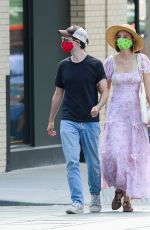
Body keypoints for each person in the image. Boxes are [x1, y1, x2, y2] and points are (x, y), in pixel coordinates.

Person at [47, 25, 108, 214]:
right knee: (72, 161)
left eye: (67, 39)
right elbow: (58, 94)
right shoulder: (63, 65)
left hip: (90, 123)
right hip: (69, 121)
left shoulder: (95, 65)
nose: (63, 42)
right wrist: (51, 120)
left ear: (78, 42)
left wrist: (98, 107)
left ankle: (95, 196)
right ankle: (77, 202)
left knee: (93, 162)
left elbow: (105, 90)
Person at [100, 24, 150, 212]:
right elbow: (105, 90)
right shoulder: (110, 62)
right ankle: (119, 189)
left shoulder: (142, 60)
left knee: (131, 157)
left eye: (125, 36)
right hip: (116, 115)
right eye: (119, 36)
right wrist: (97, 105)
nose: (122, 39)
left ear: (132, 40)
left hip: (135, 116)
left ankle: (127, 197)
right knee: (115, 154)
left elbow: (148, 90)